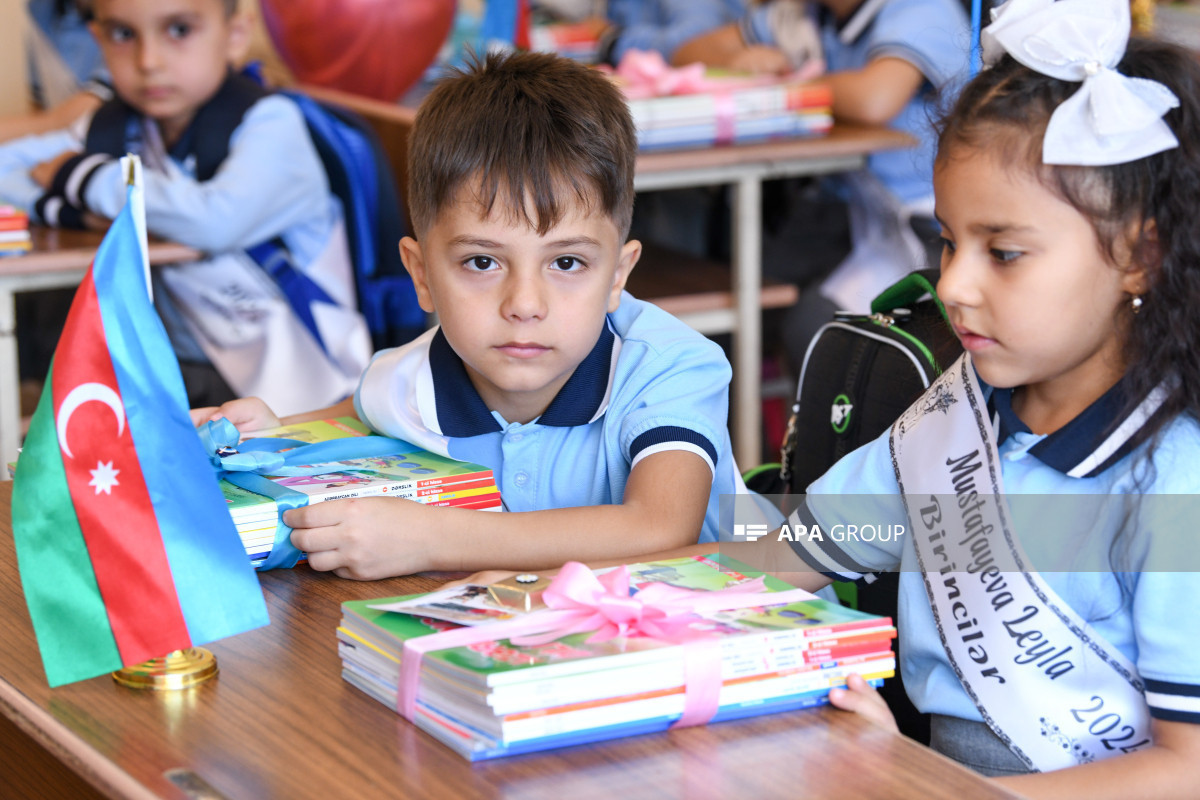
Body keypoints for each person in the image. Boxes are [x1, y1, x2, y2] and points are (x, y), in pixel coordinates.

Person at [463, 1, 1200, 794]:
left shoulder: (1172, 483)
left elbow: (1184, 768)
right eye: (949, 241)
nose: (953, 284)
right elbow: (781, 558)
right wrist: (564, 594)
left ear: (1140, 254)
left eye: (1005, 252)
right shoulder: (958, 418)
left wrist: (935, 789)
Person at [193, 50, 753, 581]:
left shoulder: (670, 368)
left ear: (617, 277)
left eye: (566, 262)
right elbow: (360, 414)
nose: (525, 305)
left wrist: (432, 538)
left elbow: (660, 528)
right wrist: (276, 434)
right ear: (421, 275)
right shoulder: (409, 377)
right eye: (482, 262)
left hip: (756, 605)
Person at [0, 0, 372, 413]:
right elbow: (5, 167)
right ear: (98, 39)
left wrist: (83, 178)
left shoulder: (271, 123)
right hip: (181, 368)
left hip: (302, 386)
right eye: (123, 34)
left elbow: (214, 221)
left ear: (235, 35)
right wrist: (71, 212)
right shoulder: (115, 125)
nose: (149, 61)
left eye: (179, 30)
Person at [674, 0, 971, 372]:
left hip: (923, 227)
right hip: (843, 209)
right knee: (733, 300)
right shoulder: (802, 16)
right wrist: (744, 62)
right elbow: (687, 55)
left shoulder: (921, 8)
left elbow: (874, 99)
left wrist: (785, 83)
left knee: (813, 327)